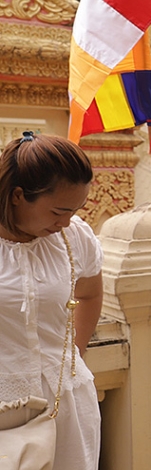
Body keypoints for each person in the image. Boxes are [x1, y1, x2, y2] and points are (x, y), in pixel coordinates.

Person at [0, 132, 103, 469]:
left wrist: (75, 354)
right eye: (59, 211)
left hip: (67, 403)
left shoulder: (74, 237)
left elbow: (88, 293)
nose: (66, 222)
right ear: (17, 196)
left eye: (75, 210)